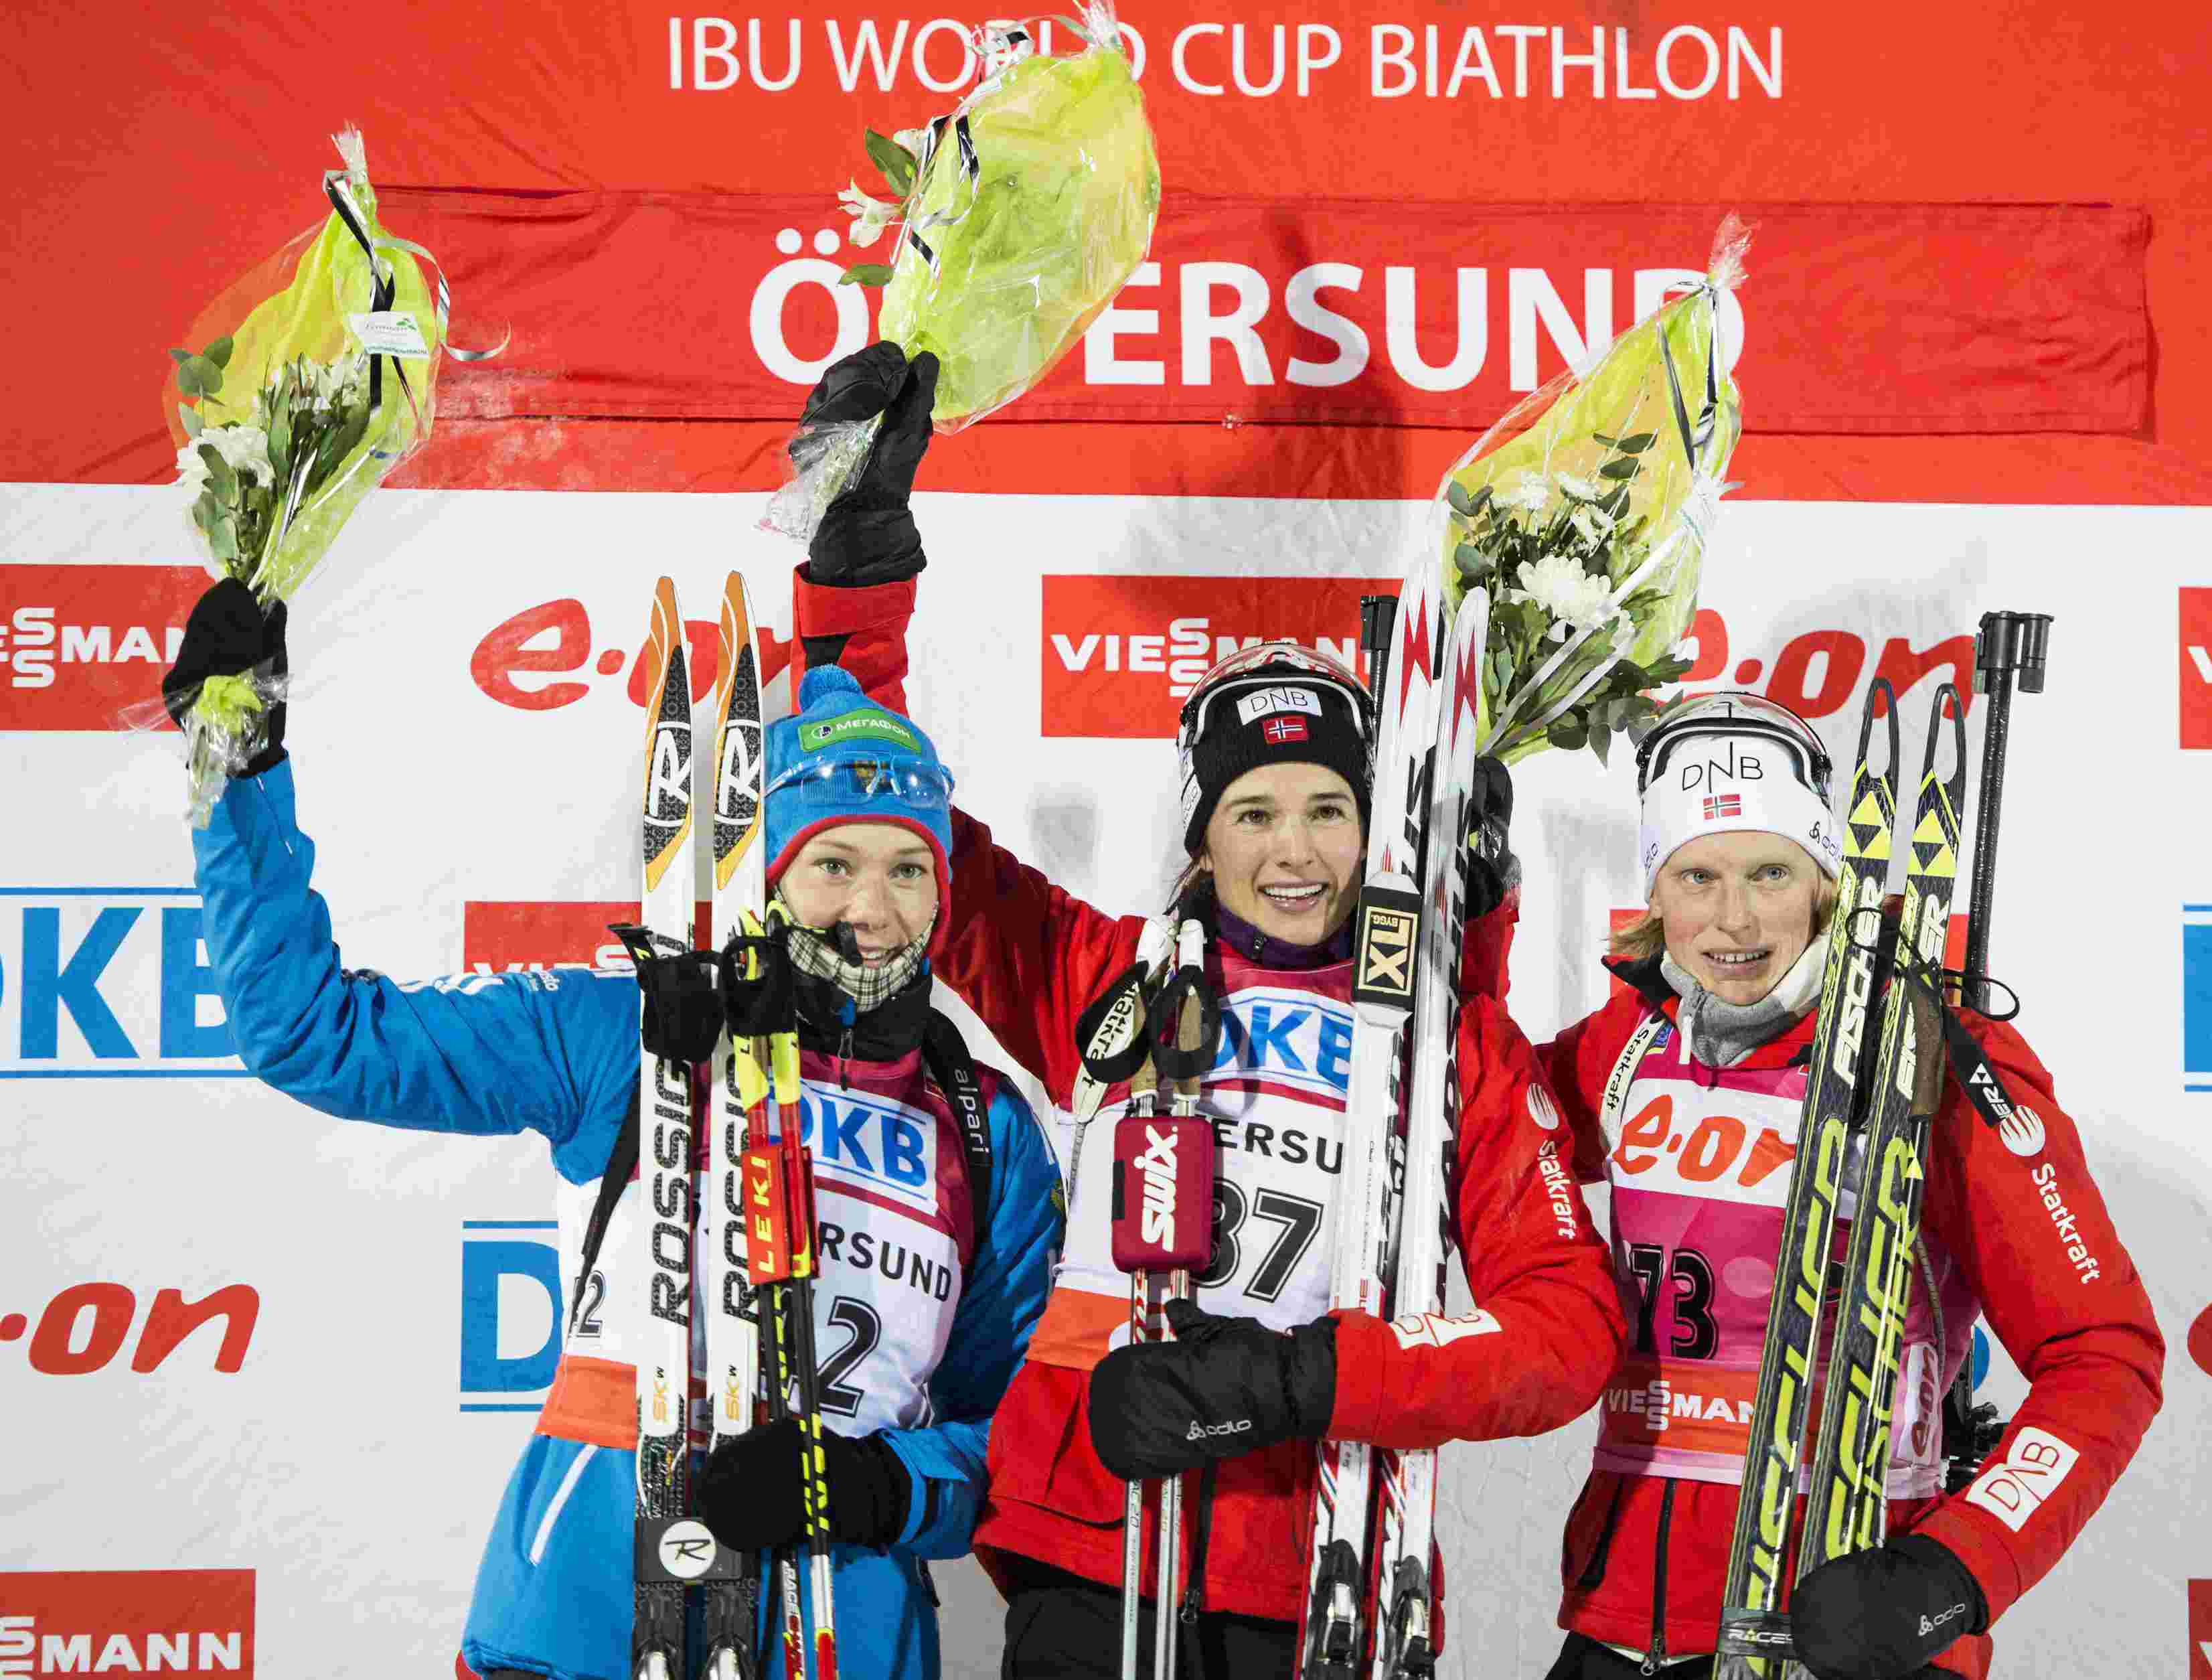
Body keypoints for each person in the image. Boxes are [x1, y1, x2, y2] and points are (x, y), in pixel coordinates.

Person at [779, 341, 1630, 1679]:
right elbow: (882, 813)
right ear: (1202, 834)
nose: (1293, 850)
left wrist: (1304, 1379)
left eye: (1329, 809)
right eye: (1253, 811)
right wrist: (855, 571)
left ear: (1374, 831)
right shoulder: (1108, 977)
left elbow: (1565, 1332)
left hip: (1316, 1566)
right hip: (1090, 1549)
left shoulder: (1450, 1045)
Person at [161, 584, 1059, 1680]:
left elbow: (1018, 1441)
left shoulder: (984, 1126)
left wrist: (878, 1484)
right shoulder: (623, 1030)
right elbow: (314, 1035)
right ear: (769, 870)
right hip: (585, 1616)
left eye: (908, 868)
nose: (872, 908)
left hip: (843, 1630)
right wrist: (238, 764)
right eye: (835, 862)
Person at [1532, 693, 2165, 1680]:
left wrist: (1949, 1573)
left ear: (1827, 879)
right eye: (1697, 875)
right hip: (1626, 1622)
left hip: (1847, 1620)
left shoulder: (1931, 1056)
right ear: (1655, 888)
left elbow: (2105, 1352)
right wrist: (1469, 921)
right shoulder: (1629, 1042)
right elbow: (1465, 1128)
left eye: (1772, 873)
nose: (1734, 919)